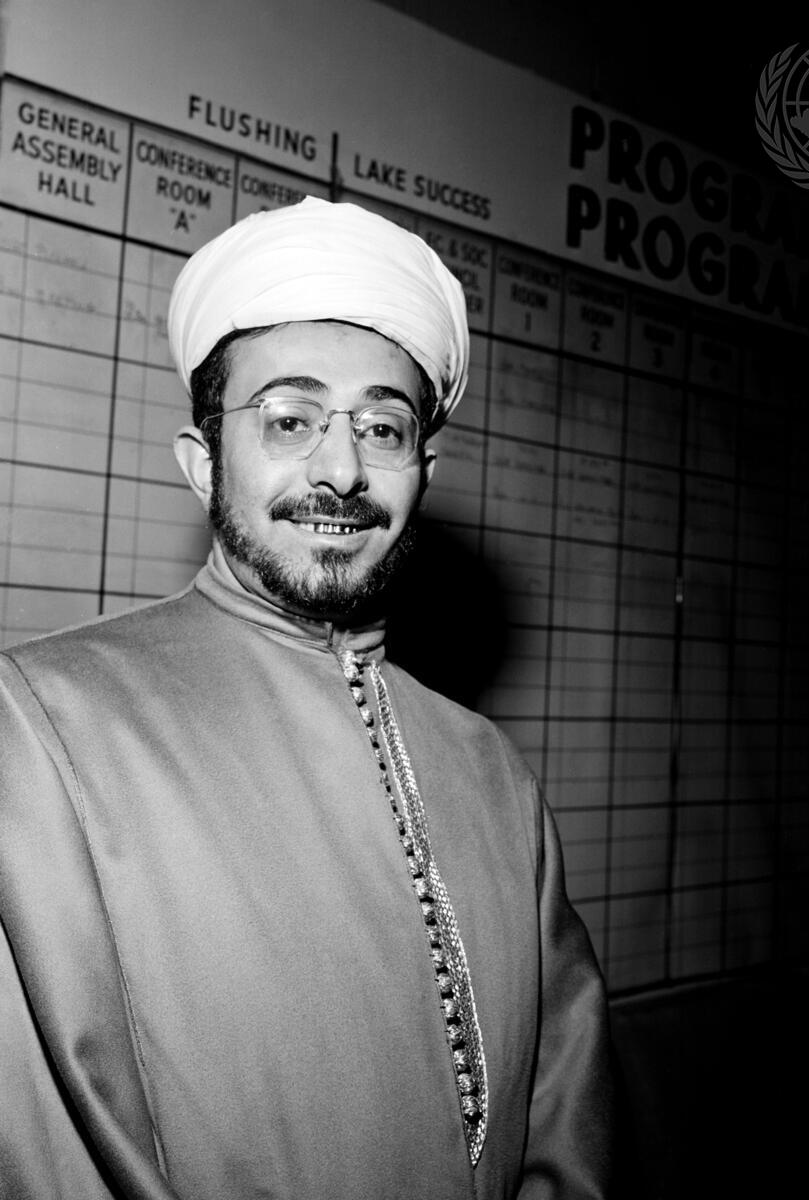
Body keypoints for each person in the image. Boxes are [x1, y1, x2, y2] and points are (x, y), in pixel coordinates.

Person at [0, 197, 613, 1199]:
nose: (340, 470)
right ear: (203, 464)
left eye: (382, 426)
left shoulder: (488, 772)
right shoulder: (39, 726)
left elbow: (568, 1120)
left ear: (423, 471)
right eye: (289, 419)